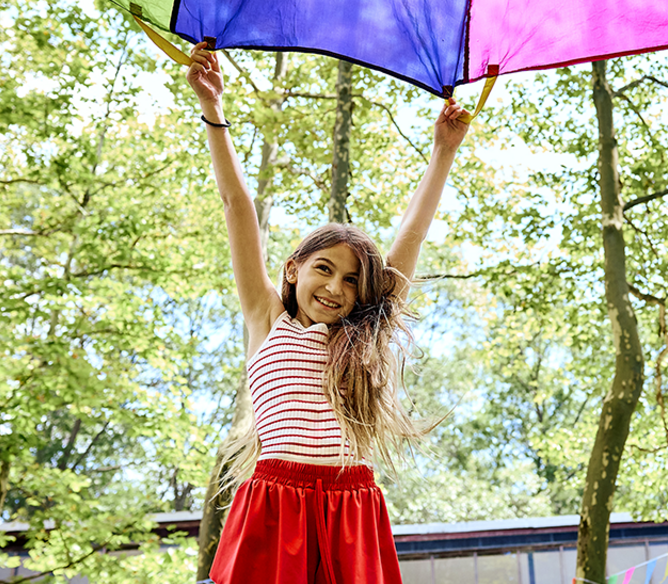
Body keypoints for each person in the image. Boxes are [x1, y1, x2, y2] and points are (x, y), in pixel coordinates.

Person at [187, 41, 469, 583]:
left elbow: (411, 234)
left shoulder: (367, 334)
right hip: (274, 499)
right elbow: (237, 207)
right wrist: (214, 110)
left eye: (350, 280)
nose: (335, 287)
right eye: (324, 269)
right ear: (292, 269)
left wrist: (444, 151)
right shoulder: (266, 318)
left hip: (351, 505)